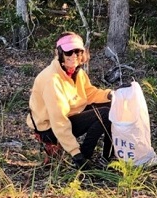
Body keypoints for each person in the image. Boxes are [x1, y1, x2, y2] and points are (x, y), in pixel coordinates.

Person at [27, 32, 114, 168]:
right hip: (49, 129)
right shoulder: (52, 80)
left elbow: (89, 94)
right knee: (104, 114)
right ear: (59, 53)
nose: (74, 56)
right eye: (69, 52)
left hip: (69, 115)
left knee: (113, 106)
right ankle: (83, 158)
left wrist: (110, 95)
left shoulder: (77, 72)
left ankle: (108, 156)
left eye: (78, 52)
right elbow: (59, 120)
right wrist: (76, 154)